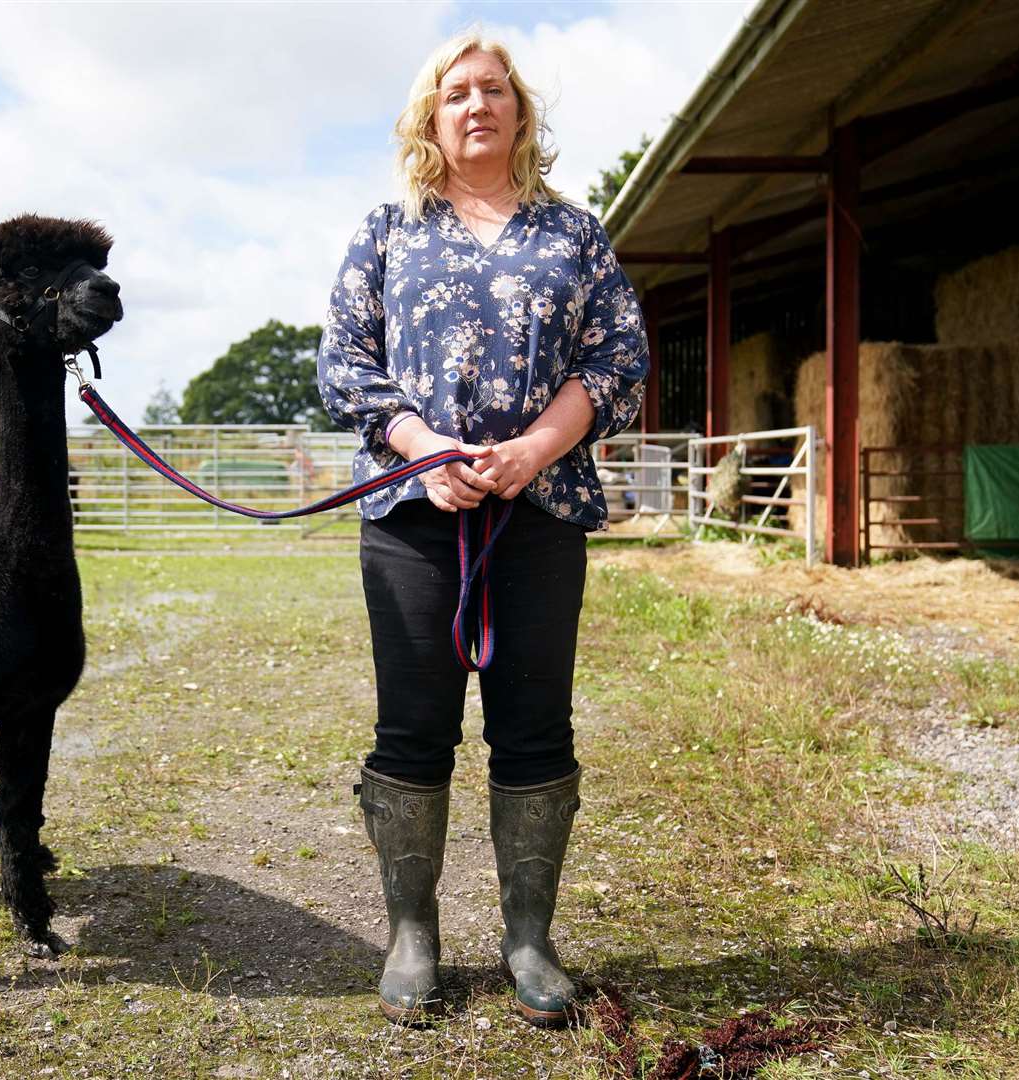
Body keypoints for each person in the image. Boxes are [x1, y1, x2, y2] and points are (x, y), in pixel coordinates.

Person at [316, 32, 648, 1026]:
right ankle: (413, 938)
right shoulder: (387, 231)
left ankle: (528, 941)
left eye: (494, 90)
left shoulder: (575, 236)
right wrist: (426, 446)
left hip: (540, 516)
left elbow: (616, 363)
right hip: (416, 516)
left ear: (519, 111)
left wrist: (535, 449)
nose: (477, 105)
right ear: (432, 115)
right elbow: (346, 364)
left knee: (534, 724)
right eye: (456, 92)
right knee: (413, 724)